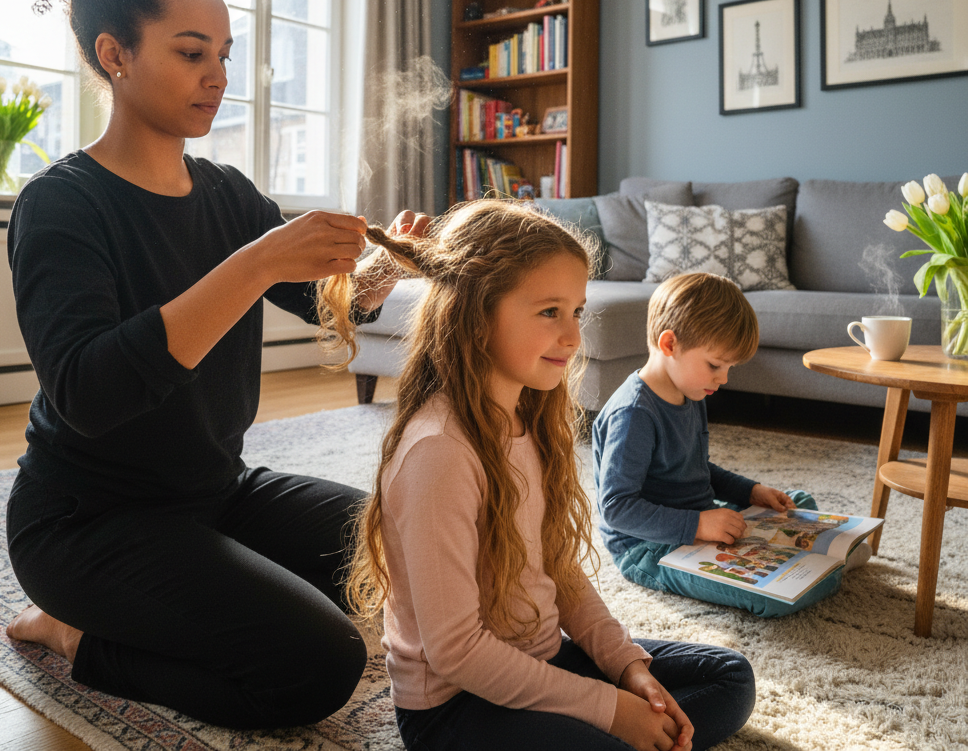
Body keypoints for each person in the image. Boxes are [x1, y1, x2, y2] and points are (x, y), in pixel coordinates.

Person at [4, 0, 428, 729]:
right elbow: (88, 392)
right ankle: (72, 635)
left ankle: (203, 577)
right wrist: (256, 262)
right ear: (113, 53)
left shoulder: (227, 192)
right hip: (84, 523)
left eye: (225, 53)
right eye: (191, 53)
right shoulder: (60, 204)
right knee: (319, 665)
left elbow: (318, 302)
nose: (217, 76)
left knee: (406, 543)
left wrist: (380, 273)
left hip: (215, 490)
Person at [321, 202, 756, 751]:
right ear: (476, 315)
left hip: (541, 659)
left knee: (729, 678)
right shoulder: (438, 453)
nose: (573, 338)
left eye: (576, 311)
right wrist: (608, 710)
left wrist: (628, 671)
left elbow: (557, 568)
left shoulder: (530, 419)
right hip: (457, 708)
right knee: (625, 732)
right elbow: (457, 651)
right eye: (550, 311)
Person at [592, 272, 858, 619]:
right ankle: (828, 567)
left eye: (729, 367)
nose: (724, 379)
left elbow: (696, 468)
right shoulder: (634, 414)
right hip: (648, 547)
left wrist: (751, 491)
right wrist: (699, 525)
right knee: (773, 598)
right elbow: (617, 508)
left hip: (699, 515)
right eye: (715, 365)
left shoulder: (691, 391)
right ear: (669, 345)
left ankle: (823, 562)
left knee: (796, 505)